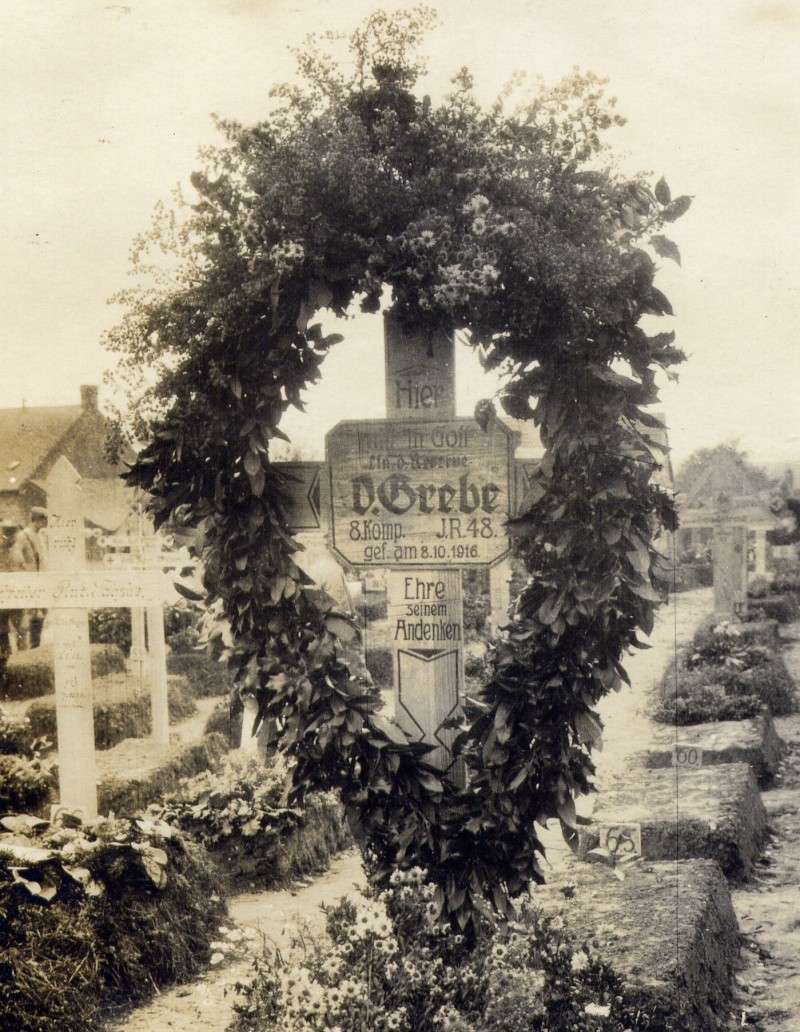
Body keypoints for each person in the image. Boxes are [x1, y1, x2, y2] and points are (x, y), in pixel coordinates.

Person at [0, 518, 34, 659]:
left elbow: (29, 565)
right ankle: (4, 661)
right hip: (2, 597)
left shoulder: (20, 546)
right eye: (6, 534)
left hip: (18, 595)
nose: (10, 538)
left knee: (22, 628)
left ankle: (23, 660)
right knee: (2, 631)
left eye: (13, 534)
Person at [20, 506, 47, 647]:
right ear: (37, 520)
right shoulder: (24, 535)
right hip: (31, 581)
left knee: (41, 615)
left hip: (42, 580)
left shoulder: (41, 535)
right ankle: (31, 648)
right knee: (32, 617)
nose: (45, 524)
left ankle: (36, 646)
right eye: (43, 520)